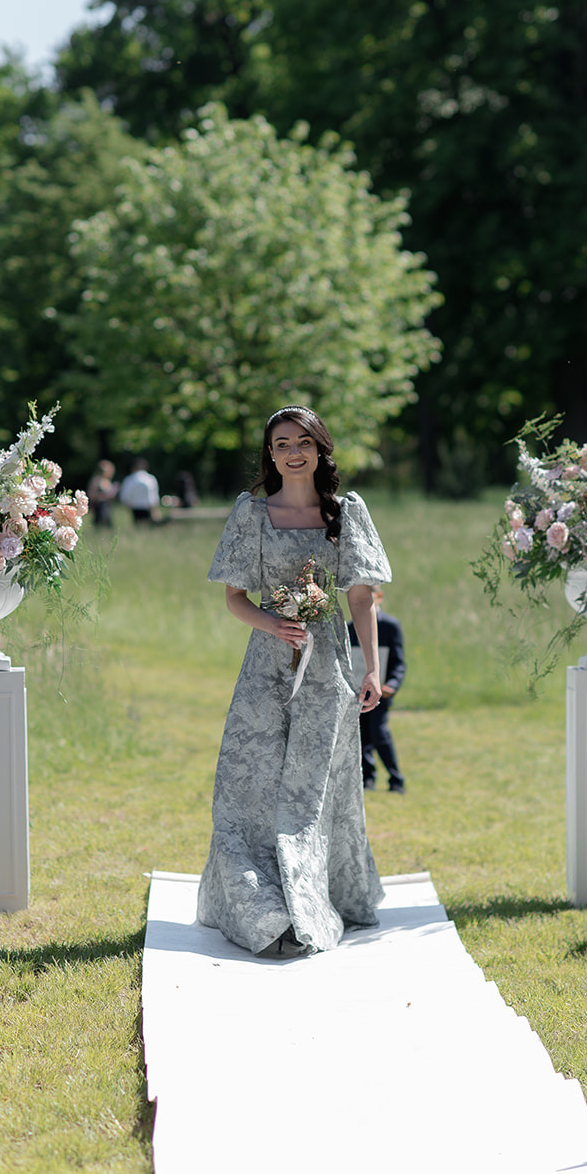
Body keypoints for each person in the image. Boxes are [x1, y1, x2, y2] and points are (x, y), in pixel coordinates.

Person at [197, 405, 389, 958]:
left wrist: (371, 668)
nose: (293, 452)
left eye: (303, 442)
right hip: (265, 667)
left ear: (320, 448)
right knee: (248, 789)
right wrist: (272, 623)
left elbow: (359, 597)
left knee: (313, 791)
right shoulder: (251, 513)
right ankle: (261, 910)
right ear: (271, 453)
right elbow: (234, 598)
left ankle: (310, 904)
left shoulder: (347, 513)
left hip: (326, 666)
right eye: (281, 444)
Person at [349, 586, 407, 793]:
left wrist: (391, 685)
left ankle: (396, 778)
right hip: (358, 692)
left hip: (382, 691)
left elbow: (399, 663)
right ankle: (368, 779)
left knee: (379, 733)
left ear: (379, 597)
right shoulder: (349, 627)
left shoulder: (390, 626)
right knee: (361, 735)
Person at [118, 457, 160, 523]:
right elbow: (154, 496)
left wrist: (126, 504)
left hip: (134, 507)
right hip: (147, 507)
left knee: (138, 525)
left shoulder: (129, 479)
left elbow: (125, 495)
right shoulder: (150, 479)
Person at [87, 459, 119, 527]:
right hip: (99, 507)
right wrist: (104, 496)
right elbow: (91, 494)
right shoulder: (96, 480)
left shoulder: (106, 481)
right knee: (100, 525)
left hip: (107, 507)